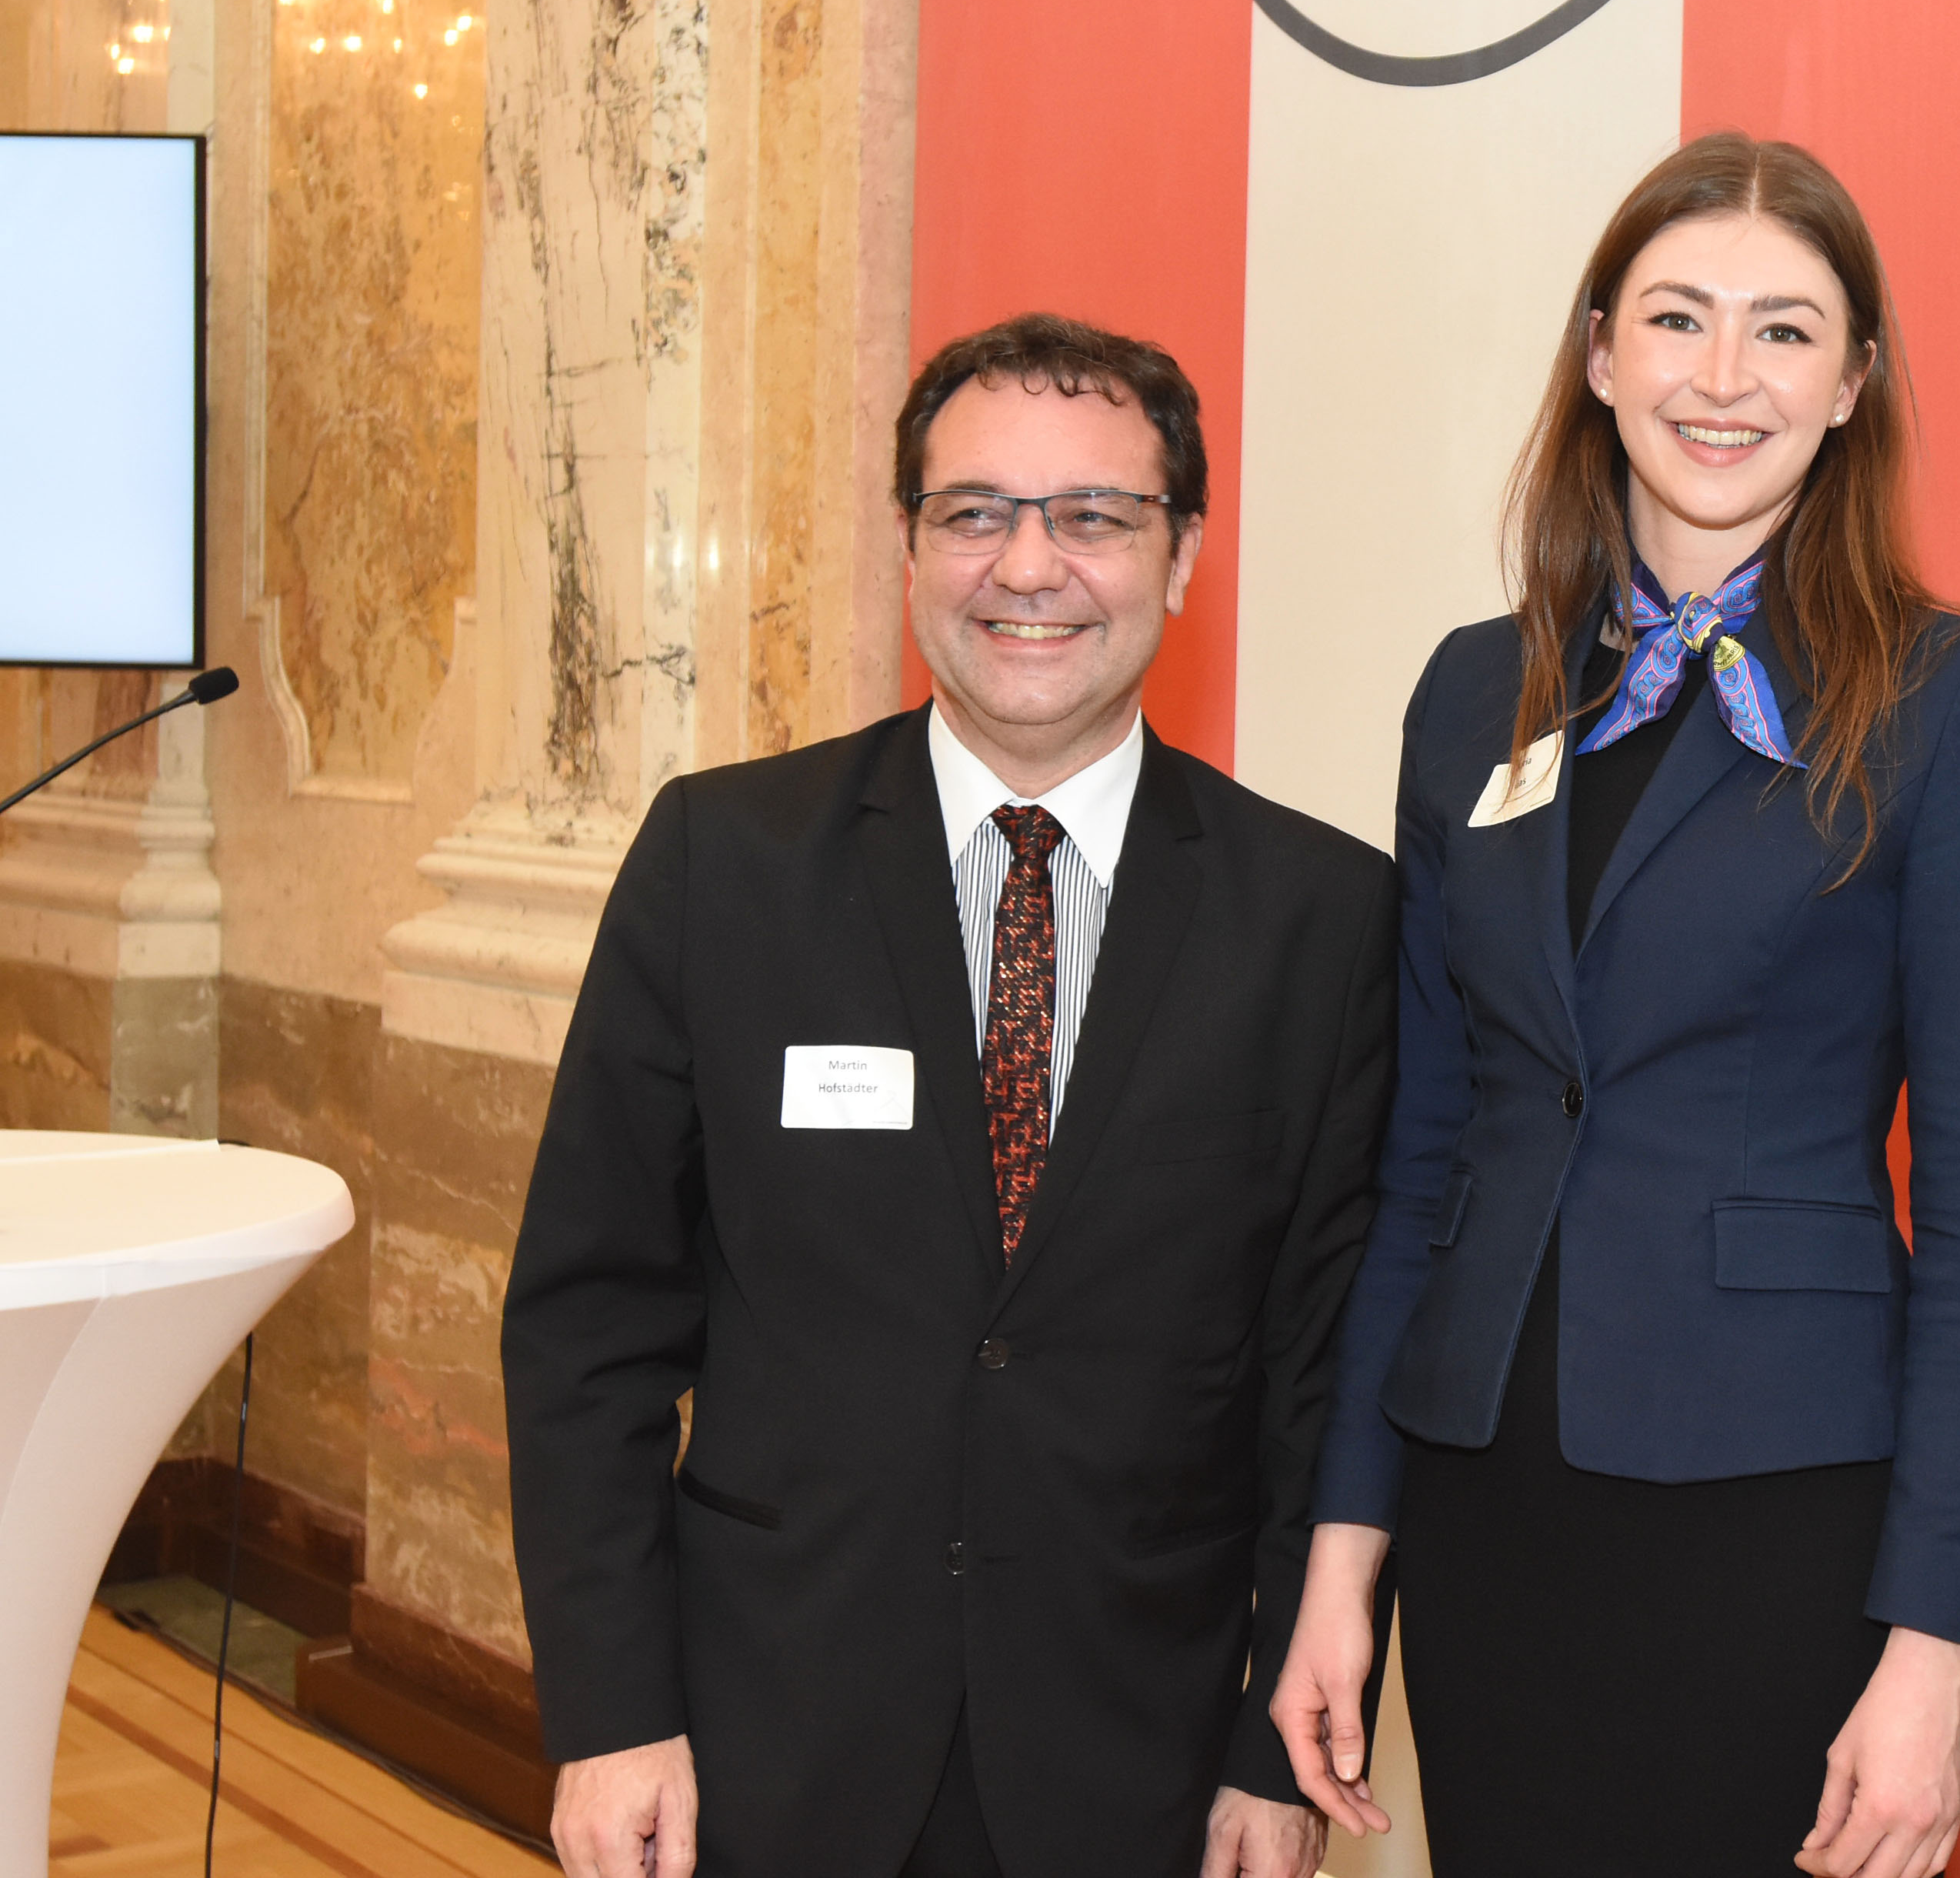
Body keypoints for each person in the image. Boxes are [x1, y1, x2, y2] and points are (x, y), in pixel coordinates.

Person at [1266, 133, 1960, 1878]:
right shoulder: (1474, 691)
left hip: (1778, 1511)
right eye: (1679, 318)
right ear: (1600, 354)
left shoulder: (1947, 700)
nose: (1723, 377)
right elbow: (1423, 1163)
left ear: (1852, 384)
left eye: (1785, 332)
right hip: (1488, 1503)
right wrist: (1342, 1558)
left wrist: (1935, 1649)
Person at [502, 315, 1395, 1878]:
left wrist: (1278, 1750)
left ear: (1183, 556)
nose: (1027, 567)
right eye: (975, 511)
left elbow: (1325, 1377)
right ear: (909, 548)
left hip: (1146, 1761)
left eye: (1094, 516)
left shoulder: (1320, 919)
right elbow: (589, 1329)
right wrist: (611, 1711)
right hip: (762, 1739)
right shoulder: (725, 865)